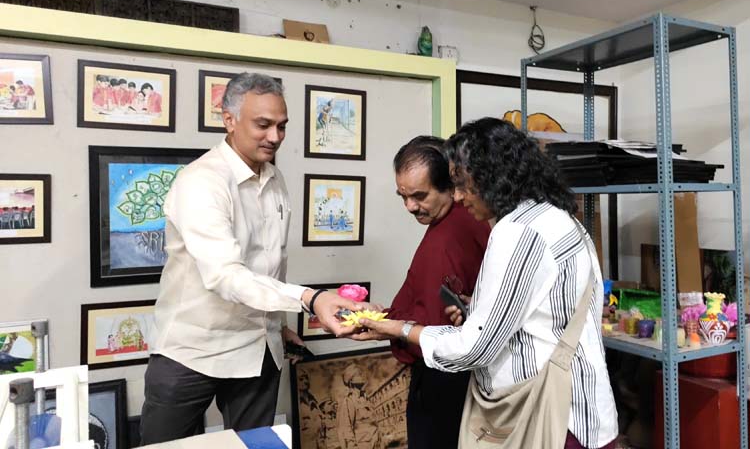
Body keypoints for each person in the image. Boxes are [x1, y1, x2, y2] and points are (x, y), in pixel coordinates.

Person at [355, 118, 618, 449]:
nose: (459, 196)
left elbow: (474, 348)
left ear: (493, 178)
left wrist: (399, 329)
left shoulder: (516, 232)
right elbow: (544, 314)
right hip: (584, 411)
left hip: (553, 418)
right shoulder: (557, 217)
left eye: (463, 184)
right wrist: (478, 310)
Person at [140, 73, 362, 444]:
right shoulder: (201, 182)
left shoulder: (276, 180)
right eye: (263, 125)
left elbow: (270, 263)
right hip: (191, 351)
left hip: (258, 349)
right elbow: (226, 275)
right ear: (229, 120)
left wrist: (277, 326)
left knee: (256, 445)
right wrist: (310, 298)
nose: (275, 136)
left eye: (282, 126)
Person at [387, 136, 490, 449]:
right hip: (440, 366)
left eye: (419, 196)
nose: (410, 206)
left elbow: (440, 324)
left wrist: (390, 325)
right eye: (403, 196)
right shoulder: (446, 221)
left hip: (448, 374)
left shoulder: (458, 228)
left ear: (451, 187)